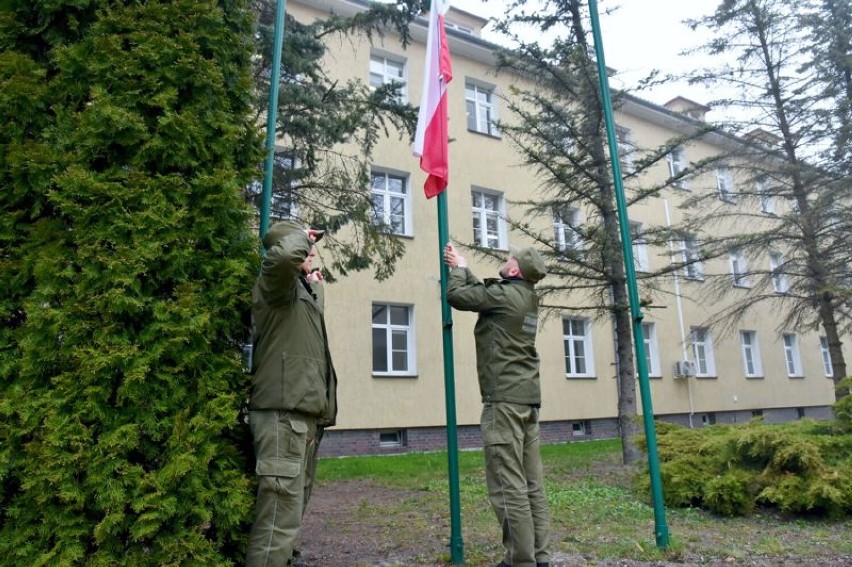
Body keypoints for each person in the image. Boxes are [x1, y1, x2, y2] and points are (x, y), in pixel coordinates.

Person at [443, 242, 551, 567]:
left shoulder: (505, 296)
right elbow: (486, 297)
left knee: (507, 483)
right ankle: (539, 557)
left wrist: (459, 270)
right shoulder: (526, 298)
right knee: (532, 485)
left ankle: (520, 561)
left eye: (509, 259)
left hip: (503, 402)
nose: (505, 261)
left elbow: (460, 297)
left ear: (515, 270)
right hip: (526, 401)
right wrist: (463, 266)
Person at [246, 221, 338, 567]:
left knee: (291, 508)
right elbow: (283, 257)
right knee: (276, 518)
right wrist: (301, 235)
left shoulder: (298, 292)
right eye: (306, 245)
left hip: (303, 414)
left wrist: (315, 288)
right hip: (283, 414)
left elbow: (305, 335)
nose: (312, 252)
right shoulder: (275, 286)